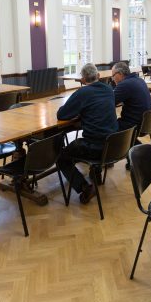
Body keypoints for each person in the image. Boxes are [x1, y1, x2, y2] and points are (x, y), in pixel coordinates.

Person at [57, 63, 118, 204]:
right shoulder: (109, 89)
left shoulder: (82, 93)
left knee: (61, 158)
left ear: (83, 80)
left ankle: (84, 187)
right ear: (98, 76)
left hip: (95, 147)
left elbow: (62, 114)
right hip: (114, 145)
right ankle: (95, 171)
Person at [111, 62, 151, 135]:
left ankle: (122, 145)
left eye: (113, 75)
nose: (112, 79)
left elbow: (109, 102)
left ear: (120, 74)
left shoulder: (125, 85)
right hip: (146, 124)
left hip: (133, 126)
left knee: (105, 128)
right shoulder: (140, 80)